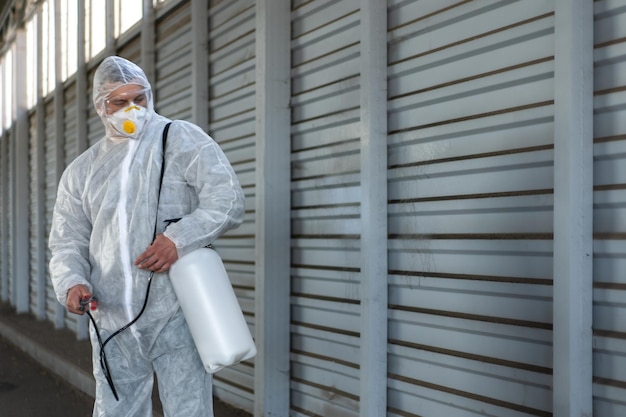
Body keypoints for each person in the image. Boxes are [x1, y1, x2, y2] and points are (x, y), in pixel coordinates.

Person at [48, 56, 245, 417]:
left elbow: (228, 197)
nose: (132, 109)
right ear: (100, 107)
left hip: (176, 309)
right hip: (111, 316)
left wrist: (179, 238)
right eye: (119, 102)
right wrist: (72, 282)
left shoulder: (180, 139)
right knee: (116, 410)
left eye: (139, 99)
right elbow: (68, 238)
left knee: (188, 408)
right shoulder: (82, 171)